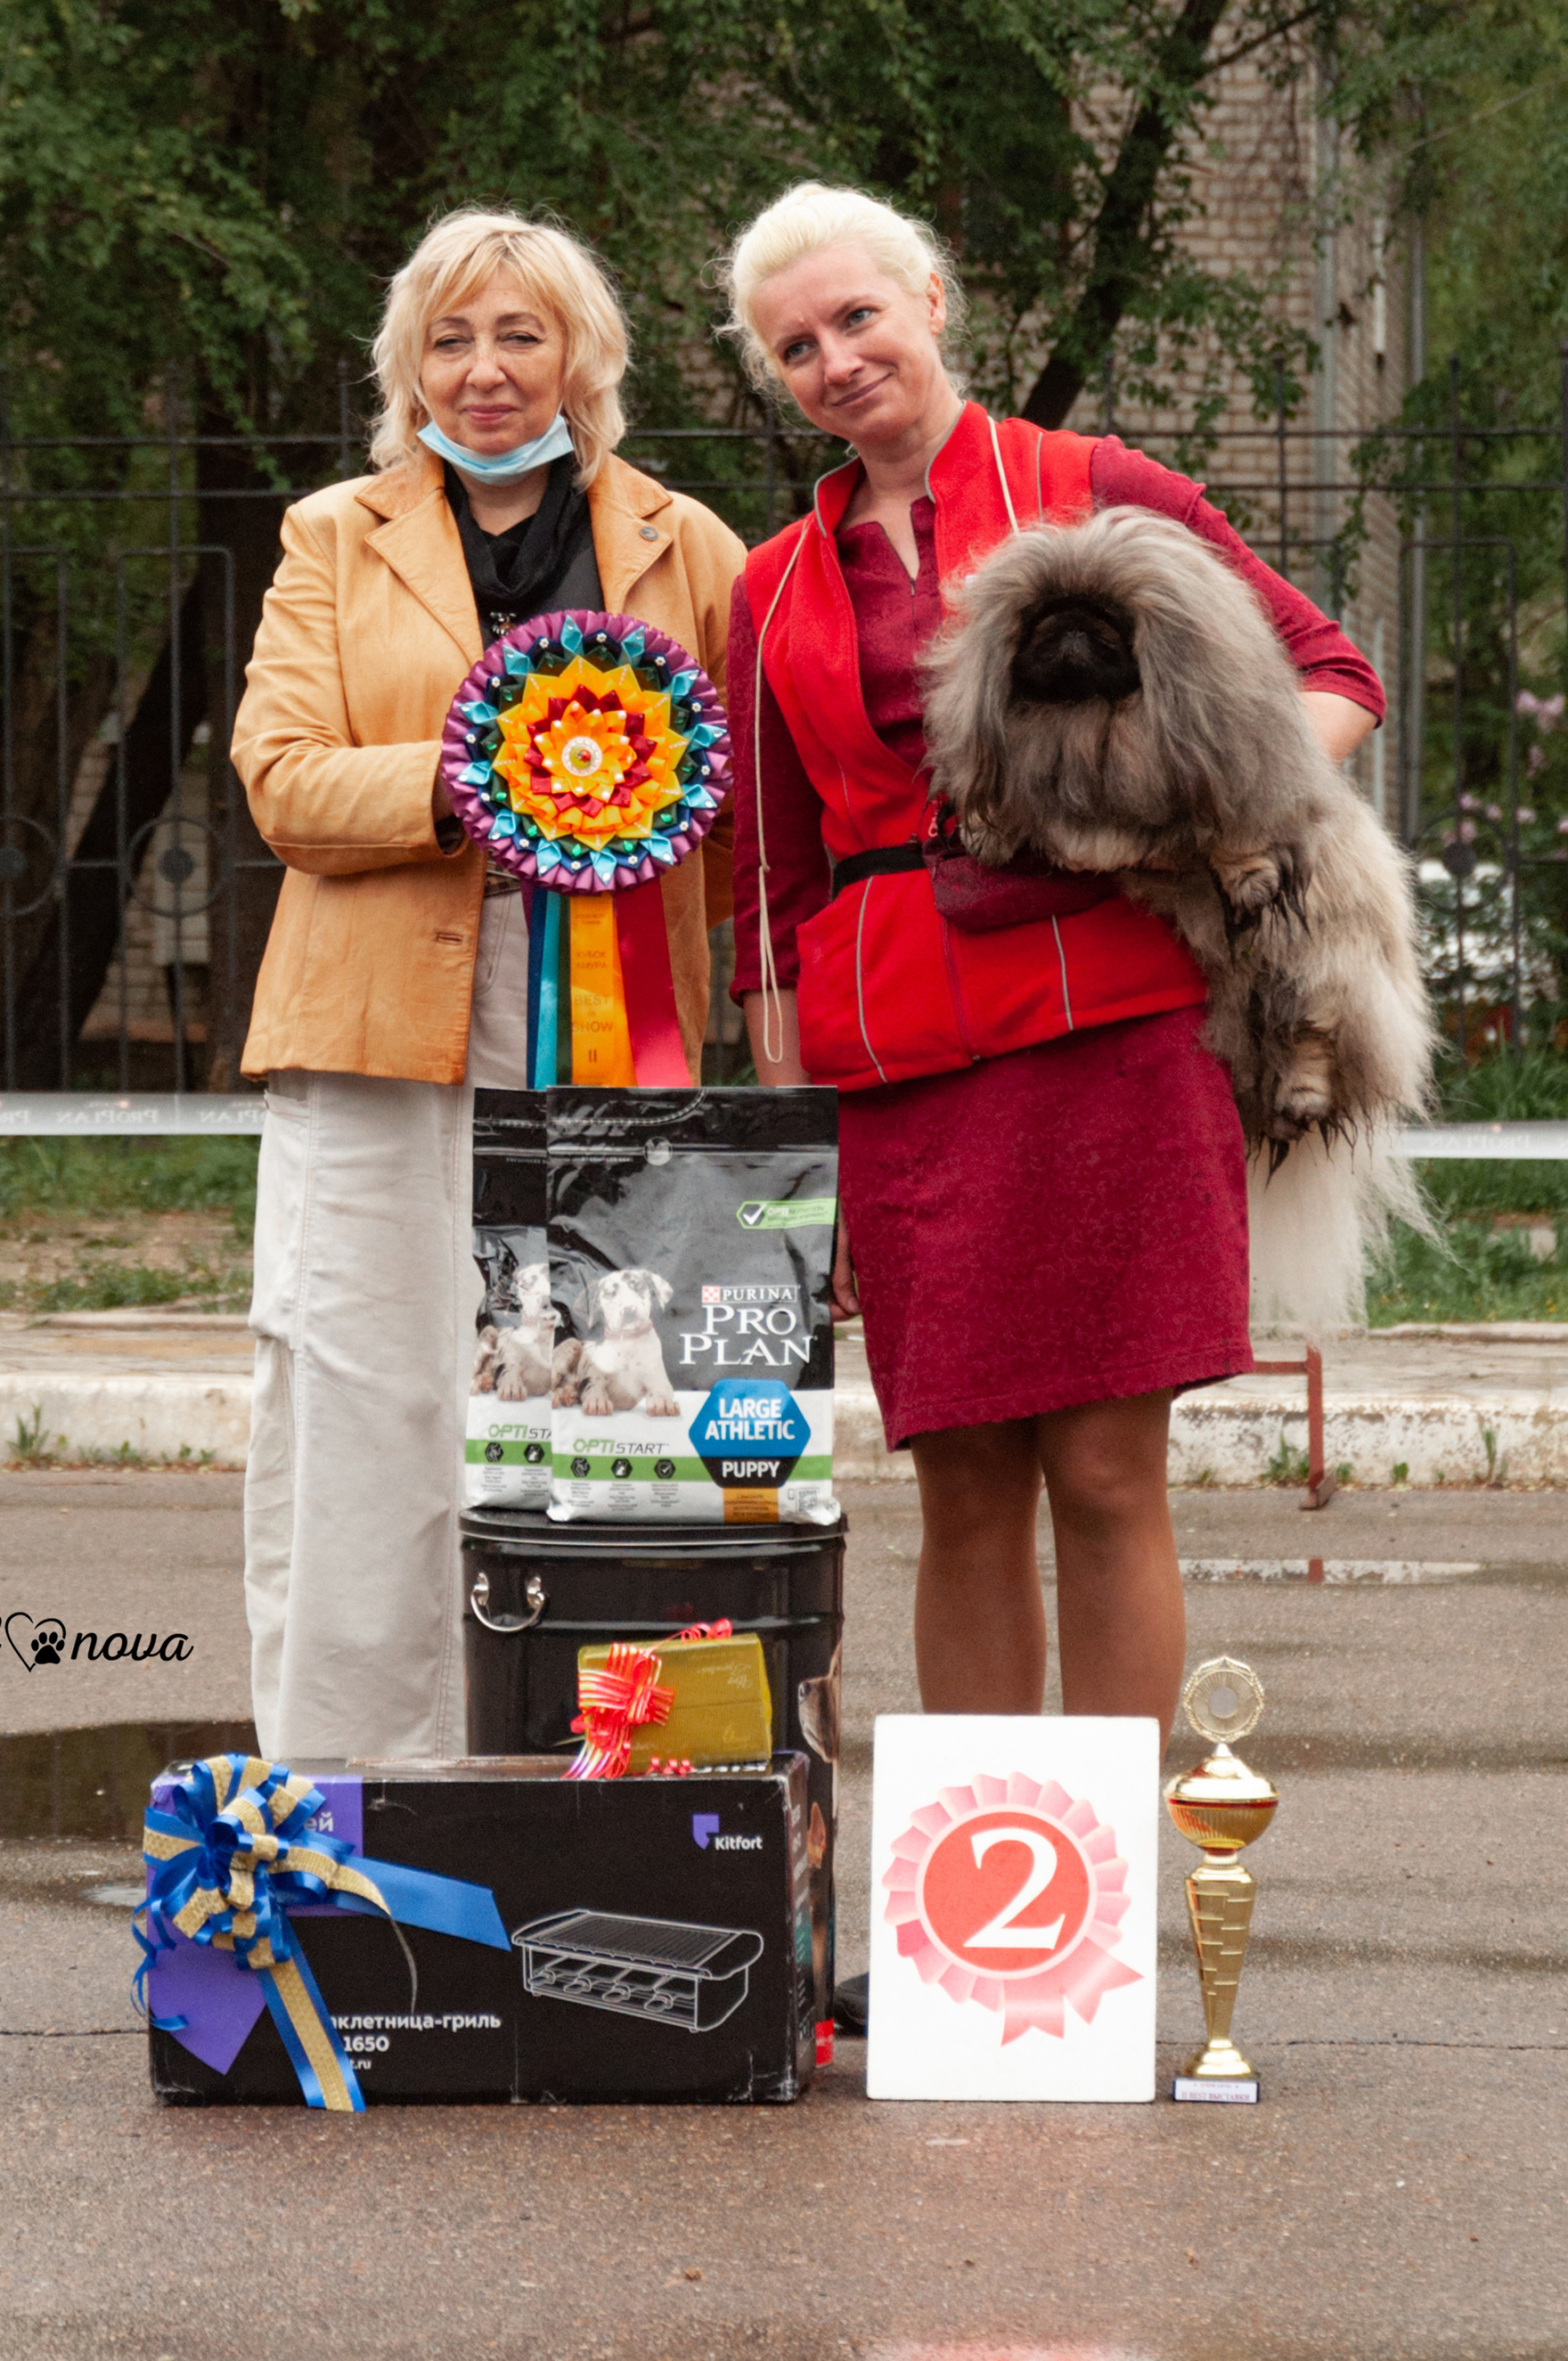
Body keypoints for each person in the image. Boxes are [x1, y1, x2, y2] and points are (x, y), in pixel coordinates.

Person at [722, 181, 1383, 1746]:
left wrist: (1181, 829)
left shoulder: (1095, 486)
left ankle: (1087, 1921)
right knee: (957, 1490)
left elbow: (1332, 677)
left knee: (1102, 1474)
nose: (837, 361)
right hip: (897, 1075)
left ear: (932, 300)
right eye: (797, 347)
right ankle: (976, 1920)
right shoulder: (767, 590)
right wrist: (784, 1128)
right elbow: (764, 880)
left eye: (858, 317)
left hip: (1114, 1037)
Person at [230, 209, 747, 1761]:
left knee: (615, 1401)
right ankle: (350, 1792)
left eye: (520, 335)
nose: (488, 369)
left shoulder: (690, 542)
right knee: (369, 1400)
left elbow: (745, 814)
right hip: (382, 1024)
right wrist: (485, 783)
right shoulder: (334, 535)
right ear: (410, 366)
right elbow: (283, 780)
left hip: (621, 1021)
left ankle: (615, 1775)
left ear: (582, 355)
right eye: (451, 339)